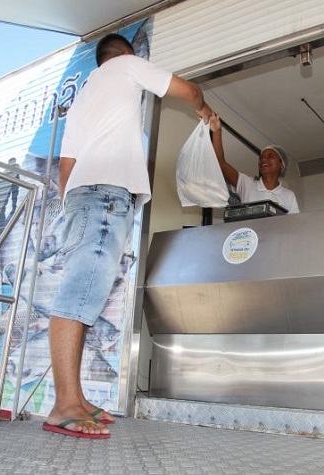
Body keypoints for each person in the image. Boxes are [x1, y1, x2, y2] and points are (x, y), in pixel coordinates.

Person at [43, 33, 214, 439]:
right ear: (126, 55)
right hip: (104, 196)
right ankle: (64, 404)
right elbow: (188, 90)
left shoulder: (84, 95)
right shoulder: (125, 67)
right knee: (79, 294)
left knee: (85, 295)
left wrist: (74, 209)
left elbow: (66, 165)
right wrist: (205, 108)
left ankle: (76, 399)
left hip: (83, 198)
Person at [209, 114, 300, 213]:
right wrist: (216, 131)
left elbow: (294, 224)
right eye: (261, 157)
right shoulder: (247, 184)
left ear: (281, 164)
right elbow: (221, 163)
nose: (264, 159)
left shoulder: (288, 196)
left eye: (270, 156)